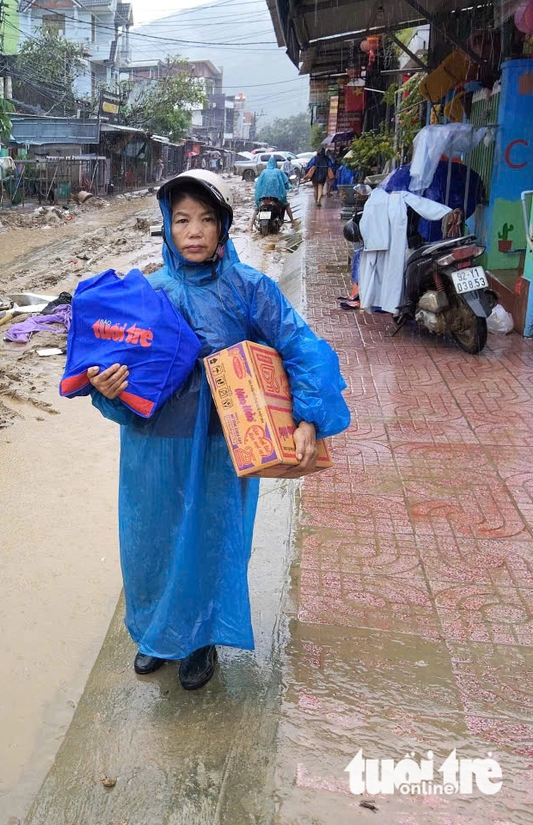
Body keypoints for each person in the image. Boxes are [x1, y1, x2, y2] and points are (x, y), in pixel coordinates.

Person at [84, 170, 349, 690]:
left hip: (221, 443)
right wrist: (107, 388)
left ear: (224, 226)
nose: (195, 231)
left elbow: (300, 346)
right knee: (151, 540)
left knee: (210, 537)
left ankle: (200, 637)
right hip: (152, 445)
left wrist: (309, 417)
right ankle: (156, 634)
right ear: (167, 226)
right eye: (182, 219)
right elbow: (111, 366)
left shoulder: (250, 289)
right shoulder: (146, 295)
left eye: (207, 219)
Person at [252, 157, 295, 226]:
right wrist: (289, 187)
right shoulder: (278, 171)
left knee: (257, 209)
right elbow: (285, 183)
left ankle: (250, 226)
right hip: (277, 197)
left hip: (263, 197)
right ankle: (293, 221)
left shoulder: (264, 172)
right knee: (286, 205)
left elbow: (258, 184)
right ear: (275, 164)